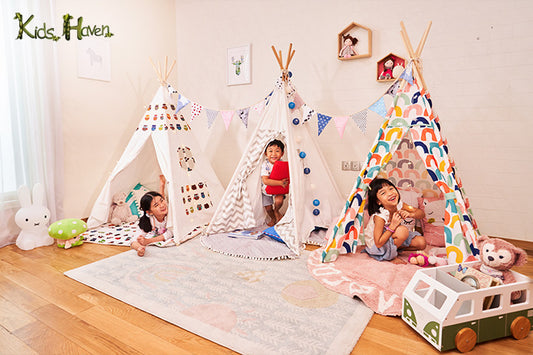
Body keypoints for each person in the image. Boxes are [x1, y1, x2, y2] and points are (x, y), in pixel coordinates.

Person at [363, 178, 426, 261]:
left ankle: (394, 248)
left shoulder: (400, 205)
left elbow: (421, 214)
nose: (390, 193)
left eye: (391, 188)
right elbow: (378, 243)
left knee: (421, 242)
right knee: (402, 231)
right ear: (378, 201)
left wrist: (411, 214)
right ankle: (390, 255)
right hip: (377, 245)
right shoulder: (380, 216)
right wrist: (392, 226)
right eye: (383, 193)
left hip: (390, 238)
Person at [131, 175, 173, 256]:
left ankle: (162, 185)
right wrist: (139, 248)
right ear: (149, 212)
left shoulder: (170, 212)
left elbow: (170, 233)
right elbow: (133, 240)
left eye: (162, 201)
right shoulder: (148, 220)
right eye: (156, 205)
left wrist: (148, 241)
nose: (162, 205)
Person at [261, 139, 288, 226]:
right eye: (270, 151)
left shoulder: (283, 164)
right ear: (266, 153)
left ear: (282, 154)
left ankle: (276, 211)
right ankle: (273, 218)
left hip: (278, 189)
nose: (273, 154)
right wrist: (280, 183)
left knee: (279, 201)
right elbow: (265, 181)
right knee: (268, 208)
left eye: (277, 151)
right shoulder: (265, 165)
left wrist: (284, 183)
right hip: (266, 190)